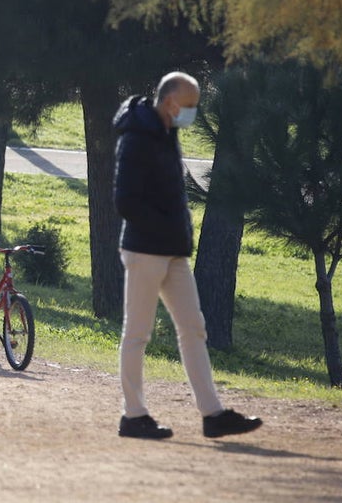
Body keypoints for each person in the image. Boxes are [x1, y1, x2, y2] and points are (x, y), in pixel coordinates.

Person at [114, 71, 263, 440]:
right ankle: (133, 416)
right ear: (170, 102)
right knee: (137, 334)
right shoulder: (136, 139)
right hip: (145, 250)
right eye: (191, 104)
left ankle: (213, 415)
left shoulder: (167, 132)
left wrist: (176, 236)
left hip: (173, 252)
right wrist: (164, 230)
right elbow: (125, 201)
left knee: (194, 328)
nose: (193, 112)